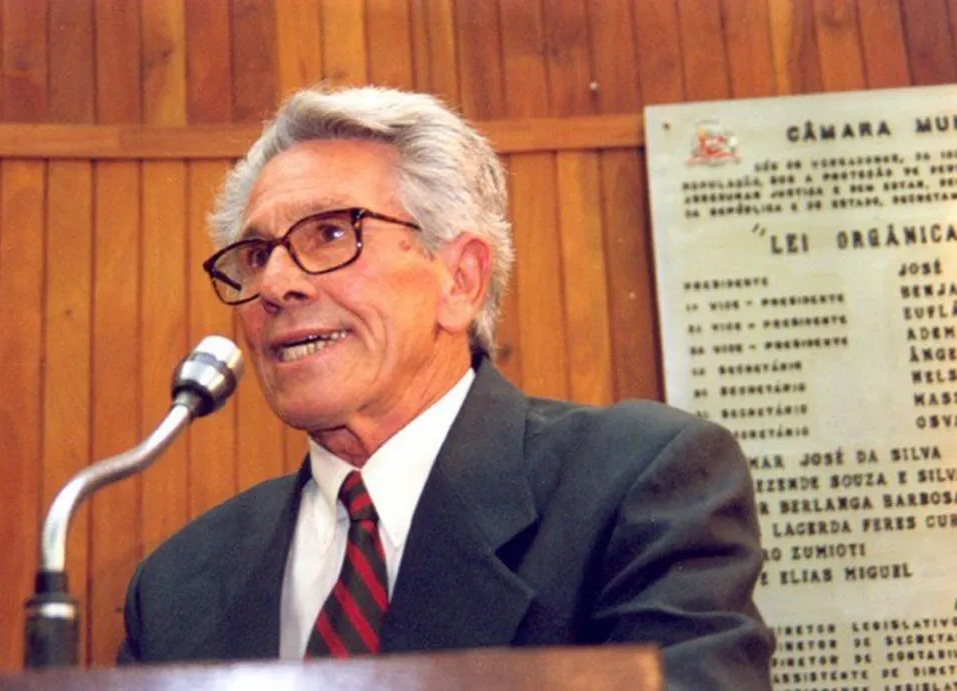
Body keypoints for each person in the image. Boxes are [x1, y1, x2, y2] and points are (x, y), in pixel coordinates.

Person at [117, 85, 774, 689]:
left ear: (460, 280)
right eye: (258, 255)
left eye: (331, 234)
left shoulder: (635, 484)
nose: (275, 284)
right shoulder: (177, 583)